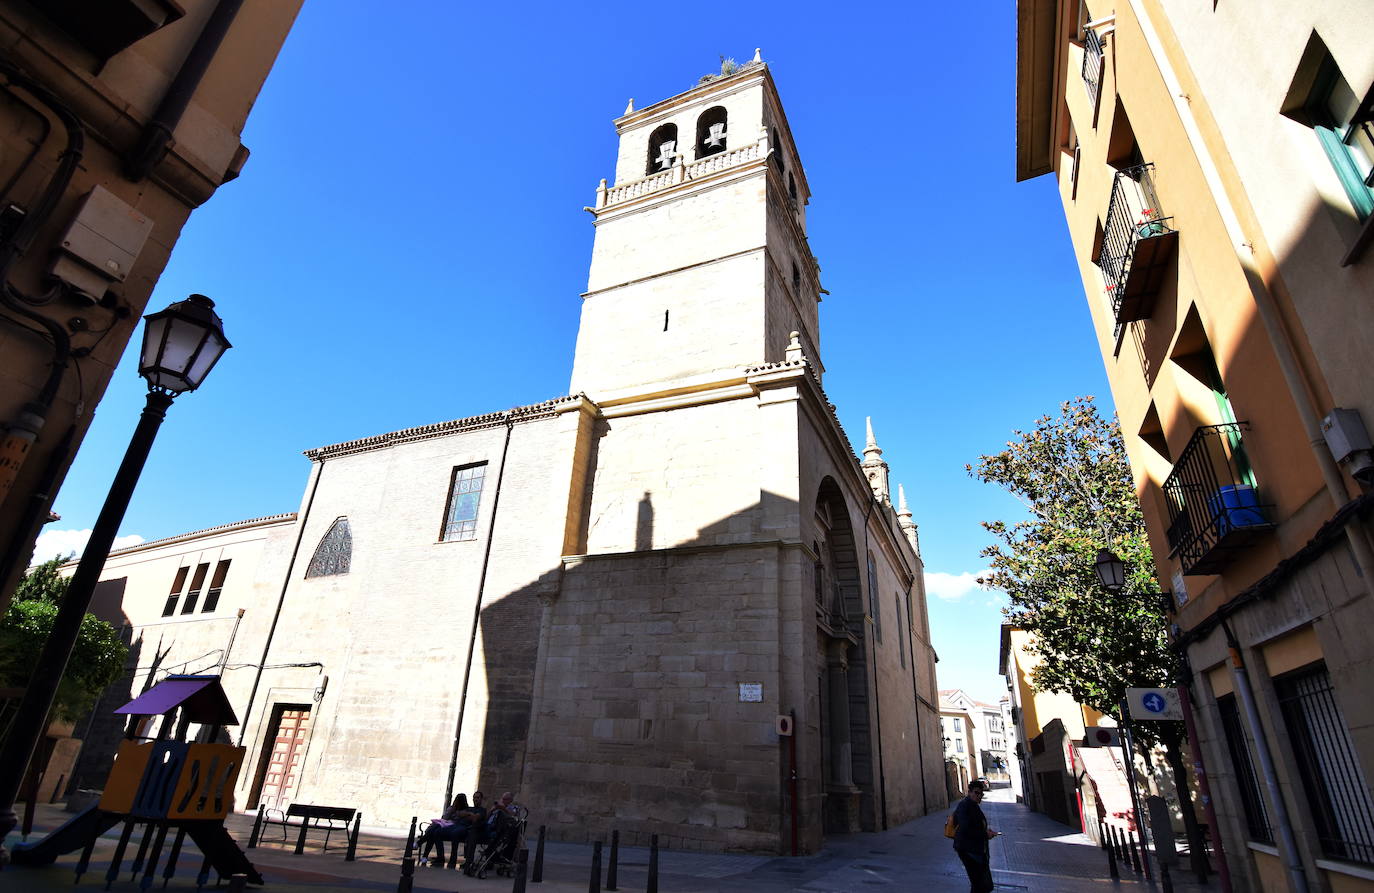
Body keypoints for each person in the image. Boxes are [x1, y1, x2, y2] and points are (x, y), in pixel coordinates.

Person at [952, 780, 998, 893]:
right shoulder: (965, 806)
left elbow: (975, 825)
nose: (979, 796)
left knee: (980, 884)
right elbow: (965, 828)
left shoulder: (973, 806)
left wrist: (986, 831)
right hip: (968, 850)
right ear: (969, 792)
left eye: (981, 794)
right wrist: (984, 834)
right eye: (976, 793)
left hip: (975, 849)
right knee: (979, 883)